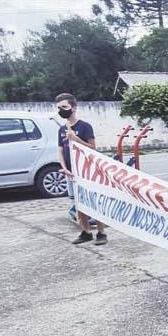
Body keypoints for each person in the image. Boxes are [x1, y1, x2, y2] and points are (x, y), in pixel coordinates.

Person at [55, 93, 108, 246]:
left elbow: (93, 148)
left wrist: (76, 139)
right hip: (71, 173)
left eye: (64, 107)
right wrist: (64, 168)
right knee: (78, 205)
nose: (61, 110)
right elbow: (60, 150)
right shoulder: (61, 129)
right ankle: (86, 232)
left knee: (93, 203)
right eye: (59, 108)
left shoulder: (84, 126)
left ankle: (101, 232)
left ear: (73, 107)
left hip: (86, 172)